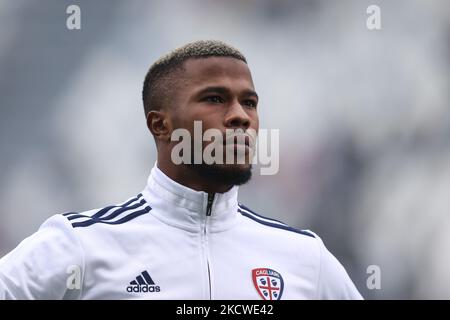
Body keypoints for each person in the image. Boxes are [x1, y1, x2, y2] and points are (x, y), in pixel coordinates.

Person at [0, 40, 362, 300]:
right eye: (214, 98)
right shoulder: (79, 245)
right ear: (160, 125)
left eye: (249, 102)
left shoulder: (305, 257)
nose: (240, 115)